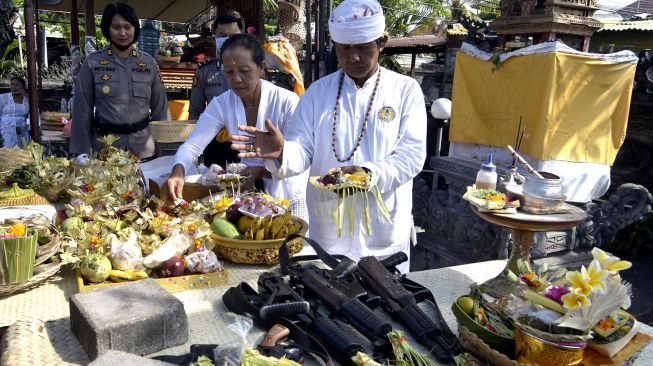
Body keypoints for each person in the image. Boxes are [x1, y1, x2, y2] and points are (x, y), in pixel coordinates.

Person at [232, 0, 426, 273]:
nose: (353, 57)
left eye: (363, 47)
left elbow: (412, 156)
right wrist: (282, 152)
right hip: (330, 234)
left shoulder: (405, 90)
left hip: (384, 237)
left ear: (381, 43)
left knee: (386, 310)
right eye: (345, 48)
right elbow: (301, 149)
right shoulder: (317, 93)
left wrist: (368, 174)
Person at [167, 34, 308, 221]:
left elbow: (300, 160)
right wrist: (178, 171)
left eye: (244, 70)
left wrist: (264, 167)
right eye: (229, 72)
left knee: (290, 246)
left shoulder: (287, 101)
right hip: (248, 196)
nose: (237, 79)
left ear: (261, 69)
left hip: (288, 193)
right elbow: (193, 145)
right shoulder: (223, 103)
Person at [70, 3, 168, 159]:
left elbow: (161, 111)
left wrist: (164, 151)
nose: (122, 33)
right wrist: (80, 155)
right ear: (107, 29)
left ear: (135, 29)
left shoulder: (149, 64)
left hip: (143, 149)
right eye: (116, 27)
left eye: (127, 27)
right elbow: (82, 112)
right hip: (105, 150)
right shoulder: (92, 63)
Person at [188, 12, 245, 167]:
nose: (227, 39)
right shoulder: (204, 71)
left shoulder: (253, 70)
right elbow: (195, 111)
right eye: (222, 35)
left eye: (233, 35)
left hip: (245, 141)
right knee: (213, 187)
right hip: (213, 142)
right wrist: (193, 150)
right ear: (214, 37)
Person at [0, 76, 29, 147]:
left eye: (17, 84)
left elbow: (32, 116)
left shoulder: (27, 100)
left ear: (23, 86)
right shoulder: (3, 97)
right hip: (5, 133)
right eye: (12, 84)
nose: (14, 87)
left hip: (22, 132)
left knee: (21, 154)